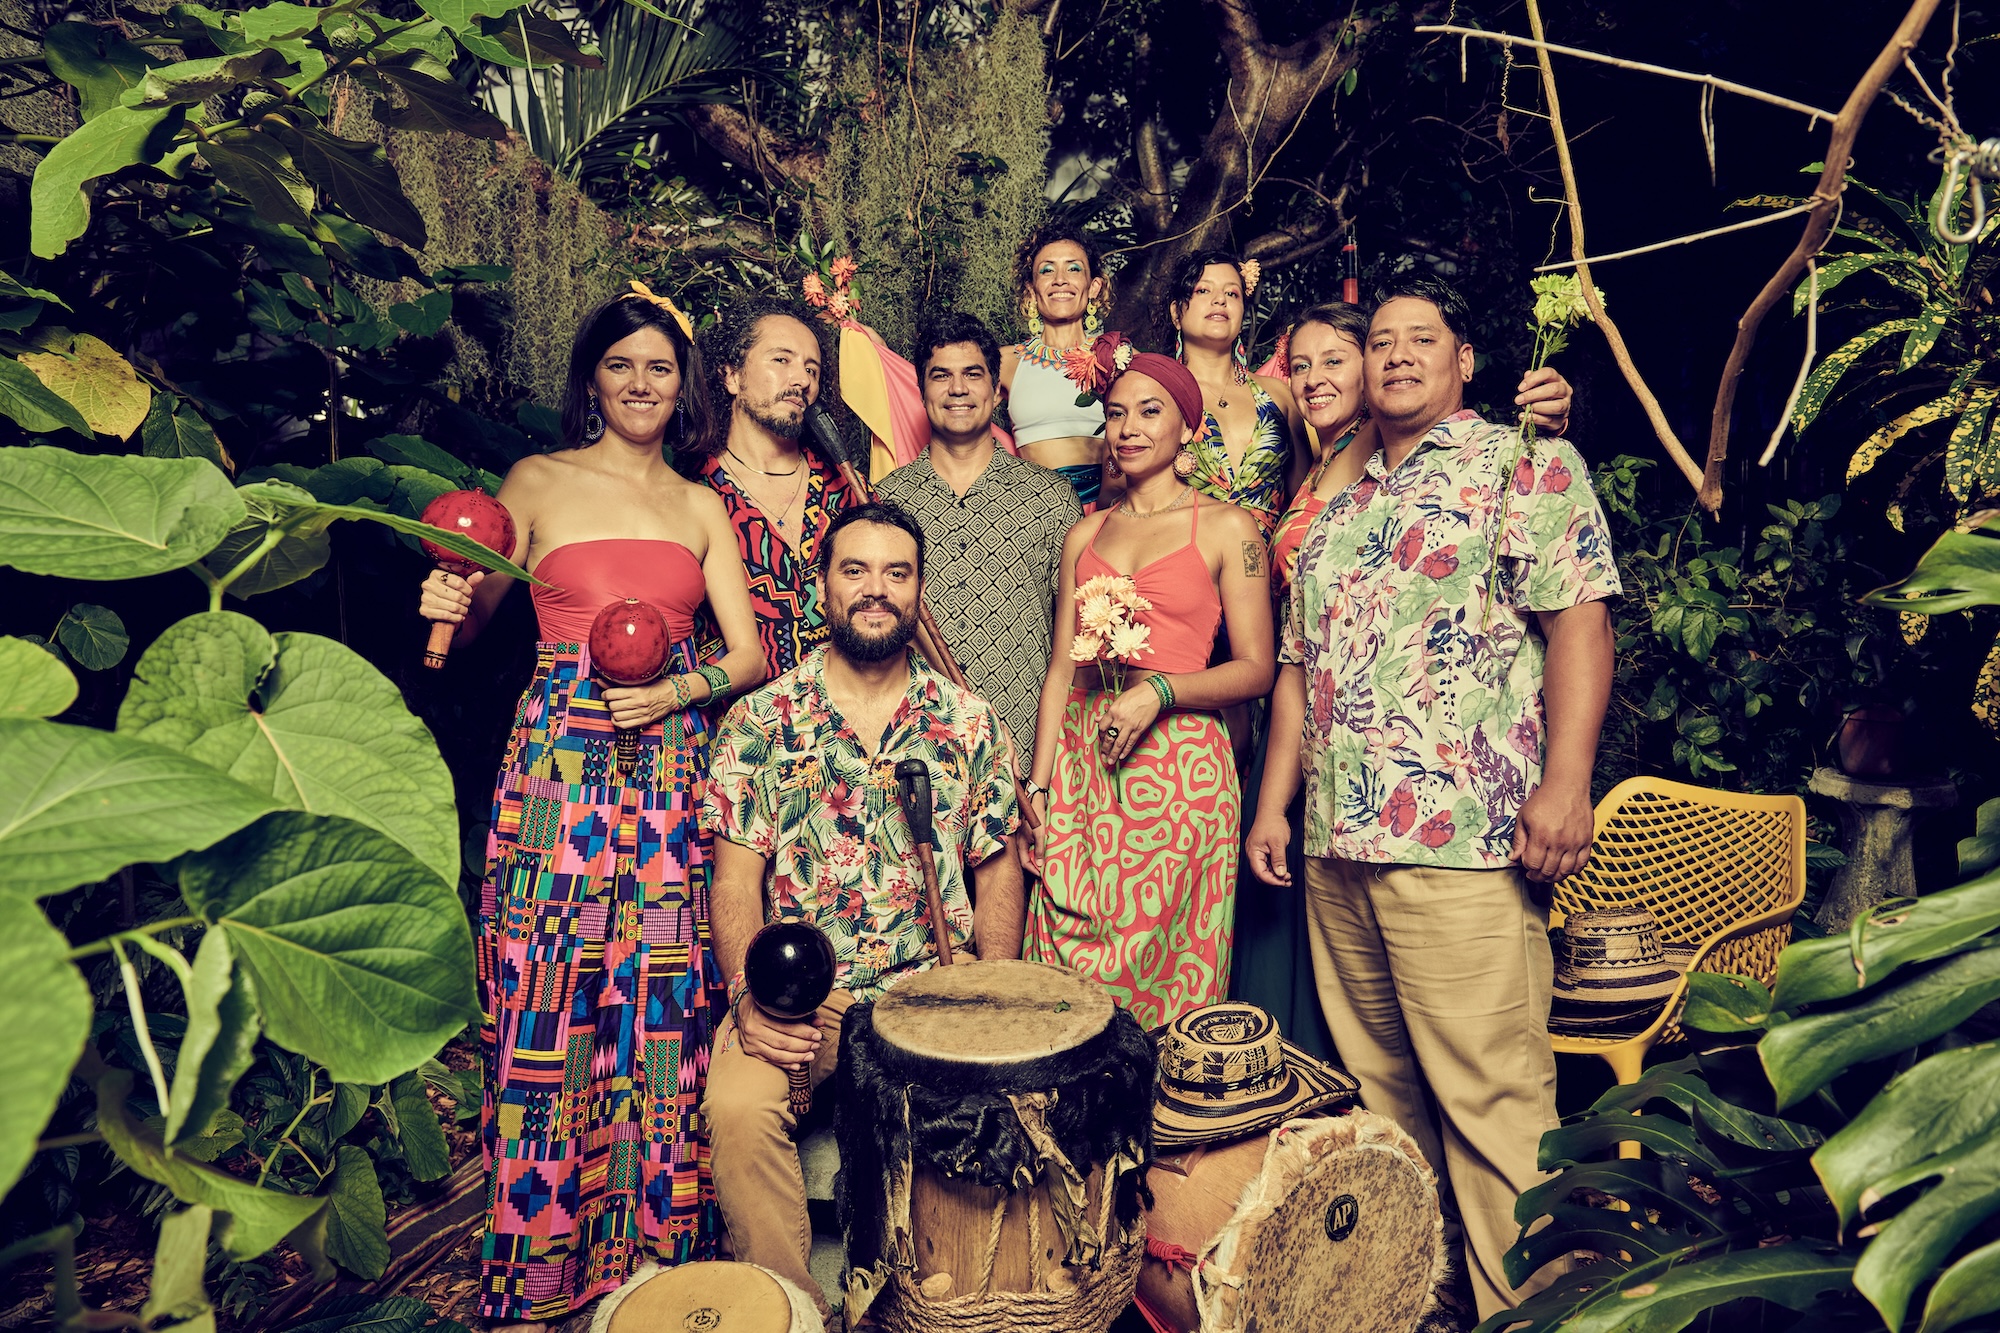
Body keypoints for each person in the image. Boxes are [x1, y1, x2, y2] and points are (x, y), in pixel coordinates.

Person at [1244, 275, 1619, 1322]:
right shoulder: (1337, 512)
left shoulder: (1522, 464)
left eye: (1423, 339)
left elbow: (1579, 623)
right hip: (1338, 848)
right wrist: (1277, 808)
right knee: (1385, 1112)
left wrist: (1564, 784)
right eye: (1381, 341)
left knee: (1493, 1108)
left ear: (1463, 361)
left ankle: (1533, 1312)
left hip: (1461, 841)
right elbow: (1299, 669)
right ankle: (1427, 1305)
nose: (1397, 354)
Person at [418, 289, 767, 1330]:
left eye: (660, 367)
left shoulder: (702, 505)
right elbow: (476, 610)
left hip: (661, 763)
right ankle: (533, 1275)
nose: (642, 382)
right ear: (592, 378)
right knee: (544, 991)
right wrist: (446, 602)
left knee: (655, 998)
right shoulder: (535, 481)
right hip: (555, 768)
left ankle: (647, 1274)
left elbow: (748, 653)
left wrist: (674, 691)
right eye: (621, 364)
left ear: (683, 384)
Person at [700, 502, 1026, 1325]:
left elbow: (997, 871)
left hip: (929, 999)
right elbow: (736, 880)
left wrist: (989, 1001)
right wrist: (746, 998)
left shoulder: (968, 720)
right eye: (855, 571)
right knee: (738, 1105)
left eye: (897, 573)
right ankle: (793, 1310)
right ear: (821, 588)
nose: (875, 590)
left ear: (919, 590)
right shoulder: (761, 721)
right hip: (802, 1003)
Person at [1023, 336, 1274, 1029]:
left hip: (1181, 773)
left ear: (1188, 428)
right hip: (1084, 767)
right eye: (1117, 412)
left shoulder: (1229, 527)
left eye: (1150, 411)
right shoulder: (1086, 533)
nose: (1129, 427)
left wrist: (1160, 690)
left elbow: (1256, 667)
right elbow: (1059, 673)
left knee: (1168, 972)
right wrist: (1039, 789)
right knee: (1065, 972)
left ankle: (1166, 1133)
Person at [875, 311, 1082, 779]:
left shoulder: (1049, 495)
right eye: (940, 376)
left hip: (1027, 750)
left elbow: (1073, 646)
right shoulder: (889, 500)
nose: (958, 389)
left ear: (996, 390)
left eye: (973, 374)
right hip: (916, 748)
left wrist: (1046, 778)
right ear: (922, 391)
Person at [1268, 302, 1577, 593]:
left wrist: (1552, 414)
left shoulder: (1382, 442)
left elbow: (1430, 408)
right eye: (1300, 366)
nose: (1313, 380)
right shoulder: (1313, 458)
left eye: (1333, 361)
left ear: (1368, 369)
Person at [693, 295, 864, 679]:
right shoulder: (692, 495)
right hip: (737, 728)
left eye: (812, 369)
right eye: (781, 360)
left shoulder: (850, 490)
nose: (802, 379)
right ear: (732, 375)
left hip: (844, 727)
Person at [1002, 221, 1120, 508]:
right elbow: (940, 393)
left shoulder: (1121, 357)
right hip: (1032, 514)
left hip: (1108, 510)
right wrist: (874, 352)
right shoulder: (1005, 362)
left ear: (1094, 287)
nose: (1060, 279)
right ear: (1031, 291)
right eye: (1047, 270)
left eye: (1073, 268)